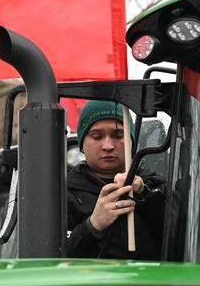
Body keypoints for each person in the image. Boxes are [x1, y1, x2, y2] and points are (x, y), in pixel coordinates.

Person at [65, 100, 165, 260]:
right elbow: (50, 261)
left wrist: (145, 196)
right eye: (97, 136)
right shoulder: (61, 193)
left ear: (132, 142)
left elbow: (186, 242)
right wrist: (93, 225)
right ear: (82, 144)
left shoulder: (156, 186)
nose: (108, 145)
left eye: (119, 135)